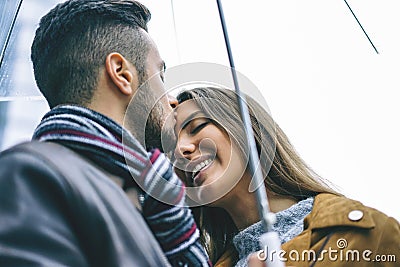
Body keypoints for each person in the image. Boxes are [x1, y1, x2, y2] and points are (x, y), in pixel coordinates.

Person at [0, 1, 211, 266]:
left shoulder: (146, 201)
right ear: (121, 73)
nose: (171, 100)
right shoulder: (28, 176)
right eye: (160, 75)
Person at [173, 86, 400, 267]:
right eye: (170, 146)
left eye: (197, 126)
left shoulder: (370, 235)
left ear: (246, 129)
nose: (179, 150)